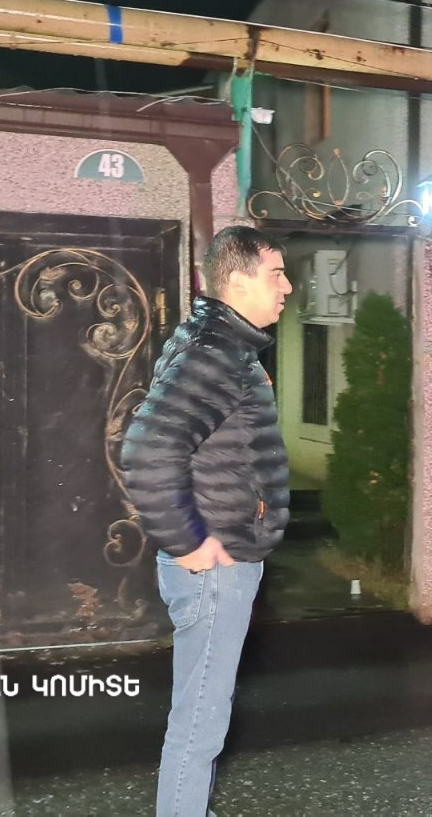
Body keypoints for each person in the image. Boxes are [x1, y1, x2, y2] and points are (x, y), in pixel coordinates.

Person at [119, 225, 292, 817]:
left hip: (224, 557)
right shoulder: (215, 353)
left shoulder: (218, 344)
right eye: (276, 275)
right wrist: (188, 541)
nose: (287, 287)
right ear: (238, 281)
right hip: (217, 565)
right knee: (200, 721)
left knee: (201, 716)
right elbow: (146, 451)